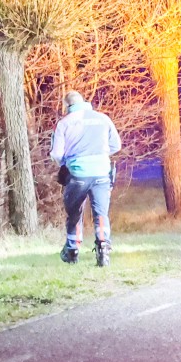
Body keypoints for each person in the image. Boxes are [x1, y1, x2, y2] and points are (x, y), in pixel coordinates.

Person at [49, 89, 122, 266]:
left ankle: (72, 250)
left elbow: (57, 154)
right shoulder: (103, 118)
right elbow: (116, 145)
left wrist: (68, 161)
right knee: (101, 213)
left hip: (78, 173)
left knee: (75, 212)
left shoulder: (64, 123)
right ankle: (103, 250)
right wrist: (100, 154)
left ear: (67, 105)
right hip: (102, 172)